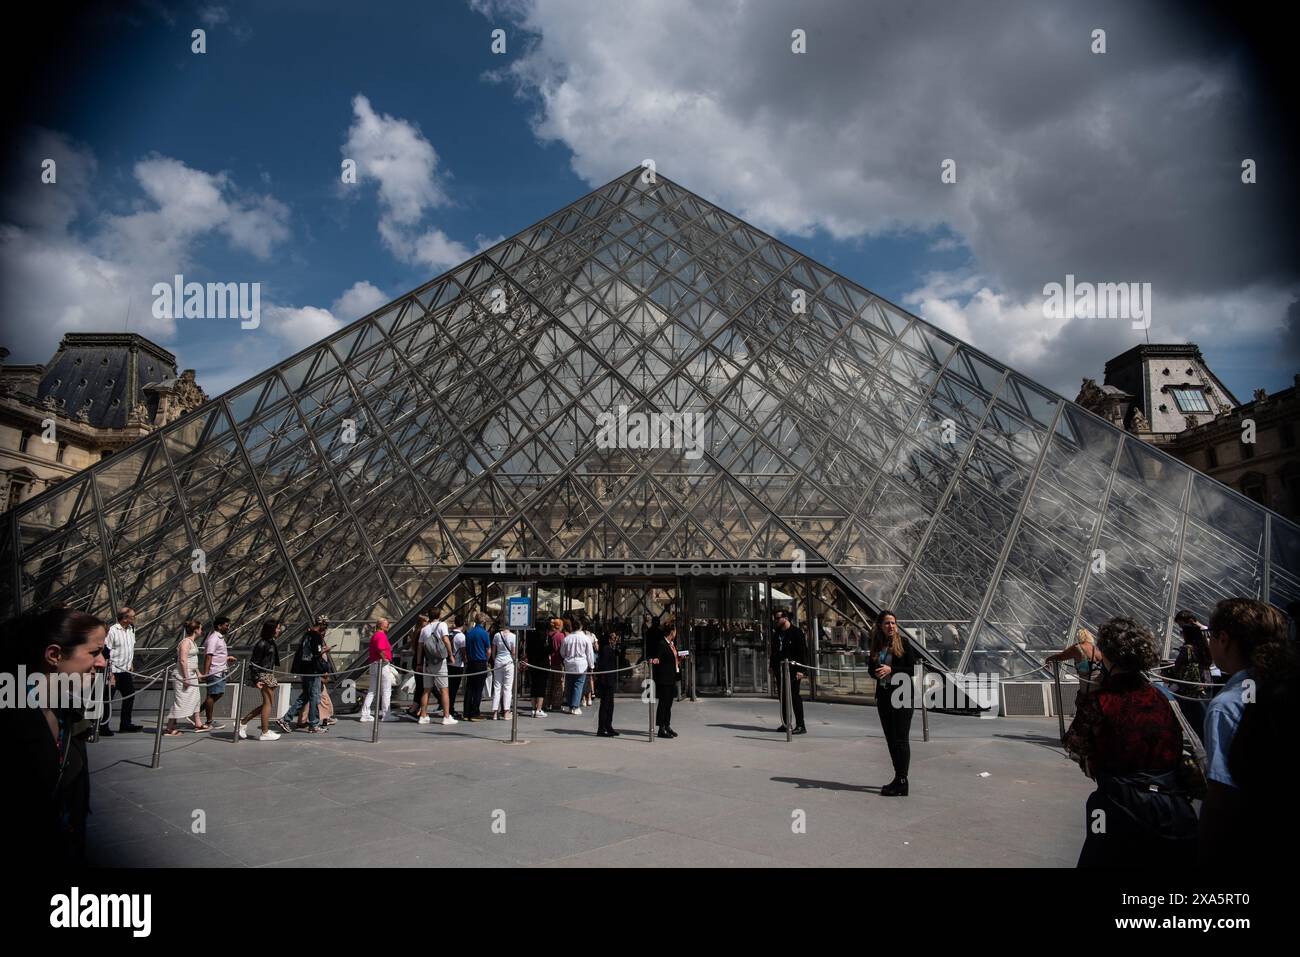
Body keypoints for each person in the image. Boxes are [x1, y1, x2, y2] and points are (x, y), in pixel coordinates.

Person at [1063, 616, 1195, 867]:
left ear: (1109, 655)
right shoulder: (1161, 696)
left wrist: (1085, 695)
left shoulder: (1101, 700)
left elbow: (1075, 743)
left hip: (1117, 804)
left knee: (1100, 851)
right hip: (1171, 806)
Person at [0, 607, 107, 863]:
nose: (102, 662)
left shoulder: (67, 712)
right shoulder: (10, 719)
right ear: (54, 655)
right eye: (95, 652)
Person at [1199, 597, 1288, 864]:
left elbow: (1221, 793)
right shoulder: (1282, 685)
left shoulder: (1227, 705)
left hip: (1248, 839)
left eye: (1211, 636)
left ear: (1223, 639)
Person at [870, 610, 915, 796]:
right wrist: (876, 672)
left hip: (902, 695)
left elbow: (911, 668)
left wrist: (891, 669)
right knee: (890, 739)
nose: (891, 626)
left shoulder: (904, 643)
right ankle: (898, 777)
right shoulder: (877, 646)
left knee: (901, 739)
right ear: (880, 625)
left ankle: (903, 780)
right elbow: (870, 669)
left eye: (894, 623)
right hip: (884, 696)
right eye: (887, 623)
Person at [278, 615, 330, 734]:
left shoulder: (307, 634)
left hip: (304, 669)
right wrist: (325, 650)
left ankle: (285, 719)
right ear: (322, 625)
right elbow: (317, 653)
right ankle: (314, 724)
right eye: (325, 626)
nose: (326, 629)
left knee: (305, 696)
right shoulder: (316, 636)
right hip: (313, 671)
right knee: (315, 697)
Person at [238, 618, 283, 740]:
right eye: (278, 628)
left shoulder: (270, 642)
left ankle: (242, 723)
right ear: (272, 629)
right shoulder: (262, 644)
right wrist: (256, 679)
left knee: (267, 704)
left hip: (268, 674)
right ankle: (264, 731)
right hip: (264, 675)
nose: (279, 630)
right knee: (268, 704)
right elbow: (254, 663)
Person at [103, 607, 142, 734]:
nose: (134, 618)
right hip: (113, 671)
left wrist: (130, 663)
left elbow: (130, 648)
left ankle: (125, 724)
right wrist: (109, 673)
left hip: (125, 671)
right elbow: (106, 652)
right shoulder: (112, 631)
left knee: (129, 696)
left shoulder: (131, 629)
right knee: (107, 699)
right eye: (133, 616)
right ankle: (103, 726)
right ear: (125, 618)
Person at [770, 610, 808, 735]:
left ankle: (801, 725)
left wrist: (801, 670)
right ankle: (786, 723)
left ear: (785, 618)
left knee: (794, 695)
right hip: (780, 669)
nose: (775, 620)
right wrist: (772, 666)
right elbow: (774, 651)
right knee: (783, 696)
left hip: (793, 669)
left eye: (777, 618)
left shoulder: (796, 632)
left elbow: (803, 652)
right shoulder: (777, 634)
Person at [164, 619, 204, 735]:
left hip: (191, 675)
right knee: (180, 701)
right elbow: (182, 660)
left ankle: (198, 723)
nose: (202, 631)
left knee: (196, 699)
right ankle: (169, 728)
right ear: (196, 630)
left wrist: (198, 673)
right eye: (200, 628)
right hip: (183, 676)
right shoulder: (186, 642)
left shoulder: (193, 642)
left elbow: (192, 660)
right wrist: (186, 678)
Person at [417, 610, 456, 726]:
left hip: (427, 662)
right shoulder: (442, 625)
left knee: (426, 690)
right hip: (440, 662)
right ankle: (446, 716)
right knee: (444, 689)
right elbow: (446, 640)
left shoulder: (424, 629)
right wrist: (450, 655)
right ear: (439, 616)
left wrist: (419, 663)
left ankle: (423, 716)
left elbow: (420, 647)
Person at [200, 615, 238, 733]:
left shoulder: (219, 638)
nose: (228, 628)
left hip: (220, 670)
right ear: (219, 626)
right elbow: (208, 656)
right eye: (226, 626)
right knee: (212, 695)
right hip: (214, 671)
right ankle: (209, 721)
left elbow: (216, 654)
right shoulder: (213, 638)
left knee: (219, 693)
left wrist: (226, 658)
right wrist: (205, 673)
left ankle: (196, 713)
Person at [1045, 626, 1102, 701]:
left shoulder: (1078, 648)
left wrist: (1048, 659)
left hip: (1087, 692)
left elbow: (1061, 656)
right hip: (1101, 690)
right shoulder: (1097, 649)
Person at [360, 617, 397, 722]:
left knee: (372, 690)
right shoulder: (381, 635)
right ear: (381, 625)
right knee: (386, 690)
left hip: (374, 664)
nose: (388, 625)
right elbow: (380, 649)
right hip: (382, 665)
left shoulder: (375, 635)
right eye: (386, 624)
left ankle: (365, 713)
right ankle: (386, 715)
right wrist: (385, 659)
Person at [648, 623, 680, 737]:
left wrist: (679, 657)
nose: (676, 633)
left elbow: (671, 658)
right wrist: (655, 660)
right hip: (664, 679)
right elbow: (658, 657)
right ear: (671, 632)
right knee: (663, 703)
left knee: (669, 703)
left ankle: (667, 725)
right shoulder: (662, 644)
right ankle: (661, 727)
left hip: (671, 677)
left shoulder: (671, 644)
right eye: (675, 631)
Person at [561, 618, 596, 715]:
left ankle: (570, 705)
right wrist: (591, 665)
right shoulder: (585, 638)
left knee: (569, 684)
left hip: (569, 663)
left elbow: (562, 653)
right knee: (578, 685)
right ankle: (575, 706)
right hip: (581, 664)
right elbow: (589, 654)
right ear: (581, 627)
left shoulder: (566, 639)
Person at [463, 614, 491, 721]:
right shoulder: (484, 633)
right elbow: (488, 650)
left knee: (469, 688)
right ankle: (475, 712)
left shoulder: (469, 633)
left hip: (471, 663)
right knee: (478, 689)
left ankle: (466, 712)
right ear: (483, 622)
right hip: (480, 662)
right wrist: (487, 660)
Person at [595, 628, 621, 736]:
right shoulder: (606, 649)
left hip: (610, 680)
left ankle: (608, 725)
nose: (615, 640)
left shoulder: (609, 648)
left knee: (610, 705)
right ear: (609, 639)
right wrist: (604, 681)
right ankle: (602, 728)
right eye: (613, 638)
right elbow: (603, 666)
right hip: (606, 681)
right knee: (605, 705)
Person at [490, 621, 517, 720]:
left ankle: (494, 713)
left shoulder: (497, 635)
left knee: (497, 687)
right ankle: (506, 712)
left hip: (498, 661)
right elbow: (513, 652)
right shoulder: (513, 636)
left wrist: (495, 659)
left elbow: (493, 651)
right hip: (508, 662)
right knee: (507, 687)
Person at [404, 614, 430, 720]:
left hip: (417, 660)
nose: (428, 623)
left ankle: (415, 708)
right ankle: (415, 709)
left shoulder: (417, 632)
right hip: (420, 661)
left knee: (420, 686)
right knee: (422, 686)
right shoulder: (421, 632)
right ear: (422, 622)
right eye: (426, 621)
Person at [524, 621, 551, 717]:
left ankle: (533, 708)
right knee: (541, 686)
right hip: (543, 664)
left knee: (534, 685)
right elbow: (550, 650)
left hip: (532, 663)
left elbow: (527, 650)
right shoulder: (546, 638)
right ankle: (539, 709)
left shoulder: (530, 636)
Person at [446, 614, 467, 721]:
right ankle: (450, 709)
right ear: (463, 624)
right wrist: (466, 661)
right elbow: (463, 652)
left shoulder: (450, 633)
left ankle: (448, 708)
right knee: (454, 689)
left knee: (449, 688)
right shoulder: (461, 636)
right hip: (457, 664)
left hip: (448, 663)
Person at [547, 618, 567, 712]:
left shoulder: (549, 634)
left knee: (550, 683)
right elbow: (563, 649)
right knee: (558, 684)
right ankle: (556, 705)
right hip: (558, 661)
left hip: (549, 661)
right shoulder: (561, 636)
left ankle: (547, 703)